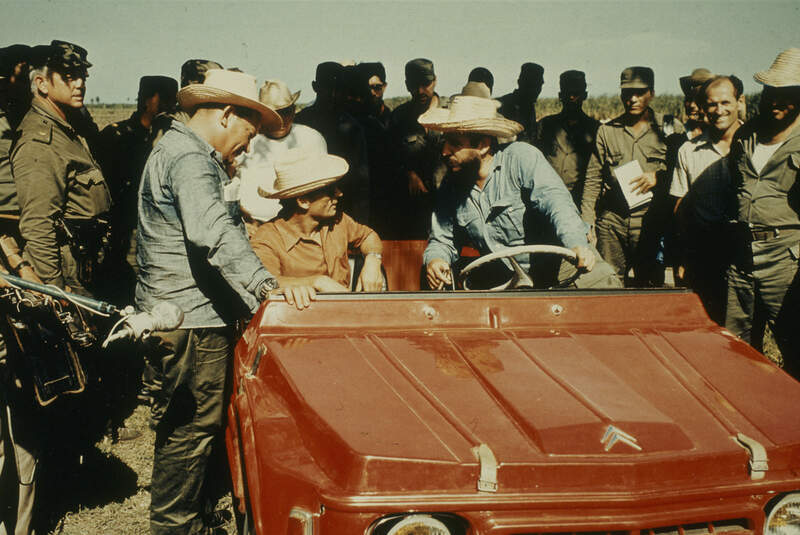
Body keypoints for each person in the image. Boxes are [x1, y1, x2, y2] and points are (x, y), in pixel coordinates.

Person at [136, 68, 311, 535]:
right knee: (190, 436)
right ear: (228, 113)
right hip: (192, 320)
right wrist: (266, 288)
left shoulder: (180, 151)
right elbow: (212, 233)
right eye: (248, 134)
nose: (249, 146)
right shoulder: (191, 160)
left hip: (185, 314)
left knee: (192, 433)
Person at [420, 92, 620, 291]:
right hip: (516, 285)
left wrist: (576, 245)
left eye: (454, 144)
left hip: (572, 274)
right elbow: (441, 239)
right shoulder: (450, 186)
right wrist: (436, 259)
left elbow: (557, 202)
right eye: (444, 142)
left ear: (482, 146)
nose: (445, 152)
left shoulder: (520, 158)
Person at [725, 48, 800, 378]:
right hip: (740, 257)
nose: (776, 102)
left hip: (785, 257)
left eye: (787, 95)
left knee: (793, 345)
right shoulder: (746, 135)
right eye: (772, 93)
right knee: (734, 348)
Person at [580, 66, 684, 286]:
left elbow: (683, 172)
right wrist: (587, 220)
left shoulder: (669, 128)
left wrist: (658, 177)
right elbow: (593, 179)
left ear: (652, 93)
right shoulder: (607, 131)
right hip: (612, 222)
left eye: (640, 93)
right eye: (628, 94)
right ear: (621, 95)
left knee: (650, 284)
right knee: (609, 282)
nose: (633, 99)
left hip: (650, 222)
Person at [251, 149, 384, 294]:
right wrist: (317, 282)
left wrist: (373, 260)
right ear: (303, 201)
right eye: (329, 190)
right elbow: (265, 283)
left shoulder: (338, 221)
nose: (339, 193)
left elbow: (368, 236)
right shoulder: (267, 238)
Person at [670, 75, 744, 323]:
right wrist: (683, 258)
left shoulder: (755, 143)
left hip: (746, 254)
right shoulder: (688, 151)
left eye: (726, 102)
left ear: (739, 101)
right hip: (705, 255)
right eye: (712, 104)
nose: (719, 110)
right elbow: (680, 209)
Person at [236, 79, 327, 226]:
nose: (282, 120)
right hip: (251, 224)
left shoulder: (311, 138)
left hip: (298, 224)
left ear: (294, 110)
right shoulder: (247, 139)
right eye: (275, 114)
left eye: (286, 112)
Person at [295, 62, 370, 223]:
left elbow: (361, 180)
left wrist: (359, 222)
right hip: (306, 209)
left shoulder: (353, 127)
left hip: (344, 208)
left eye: (340, 89)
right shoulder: (301, 123)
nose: (334, 94)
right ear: (315, 87)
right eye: (328, 88)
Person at [387, 58, 446, 239]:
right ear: (406, 85)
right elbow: (390, 156)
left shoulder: (451, 111)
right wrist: (409, 173)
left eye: (426, 84)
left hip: (449, 199)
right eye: (414, 85)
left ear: (435, 80)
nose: (420, 91)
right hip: (414, 205)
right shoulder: (399, 117)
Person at [535, 70, 600, 205]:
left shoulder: (596, 129)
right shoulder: (545, 125)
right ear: (560, 95)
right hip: (549, 195)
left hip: (580, 197)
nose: (571, 98)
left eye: (576, 94)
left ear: (584, 95)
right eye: (567, 94)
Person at [498, 62, 544, 143]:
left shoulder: (529, 107)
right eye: (532, 85)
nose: (537, 89)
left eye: (539, 85)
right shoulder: (502, 105)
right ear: (520, 82)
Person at [679, 68, 714, 141]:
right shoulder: (677, 132)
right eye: (688, 100)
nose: (692, 105)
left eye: (698, 100)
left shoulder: (721, 133)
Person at [360, 61, 391, 128]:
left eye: (376, 87)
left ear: (384, 86)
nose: (371, 92)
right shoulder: (353, 117)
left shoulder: (392, 118)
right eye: (366, 87)